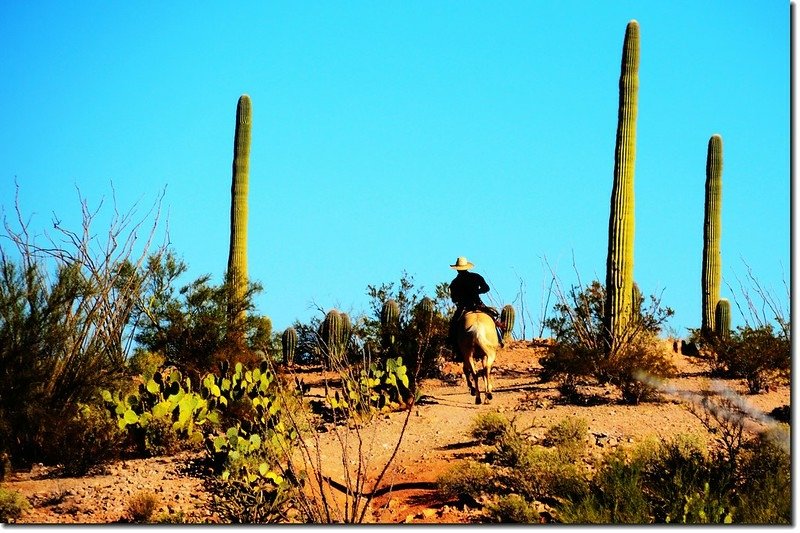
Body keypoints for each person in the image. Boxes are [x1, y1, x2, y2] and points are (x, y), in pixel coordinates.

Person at [448, 256, 504, 353]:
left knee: (454, 324)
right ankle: (499, 340)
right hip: (478, 304)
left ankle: (453, 345)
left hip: (463, 307)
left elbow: (454, 298)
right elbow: (486, 288)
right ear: (467, 267)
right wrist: (477, 291)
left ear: (457, 269)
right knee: (493, 318)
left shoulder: (455, 282)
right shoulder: (476, 277)